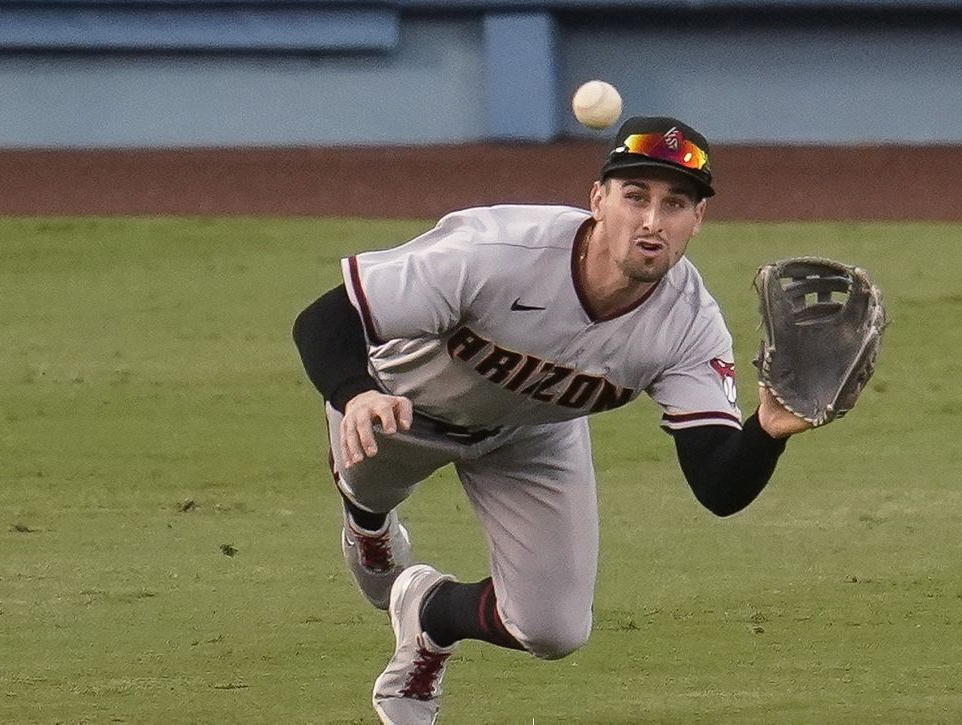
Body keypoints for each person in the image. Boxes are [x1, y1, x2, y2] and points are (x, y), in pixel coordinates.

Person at [292, 116, 812, 724]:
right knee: (366, 487)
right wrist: (355, 393)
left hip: (533, 433)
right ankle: (368, 520)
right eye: (635, 196)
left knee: (554, 629)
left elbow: (717, 486)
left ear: (697, 221)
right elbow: (327, 319)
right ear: (597, 200)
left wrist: (768, 429)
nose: (652, 221)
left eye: (676, 204)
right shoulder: (499, 252)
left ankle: (430, 613)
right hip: (400, 404)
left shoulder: (689, 327)